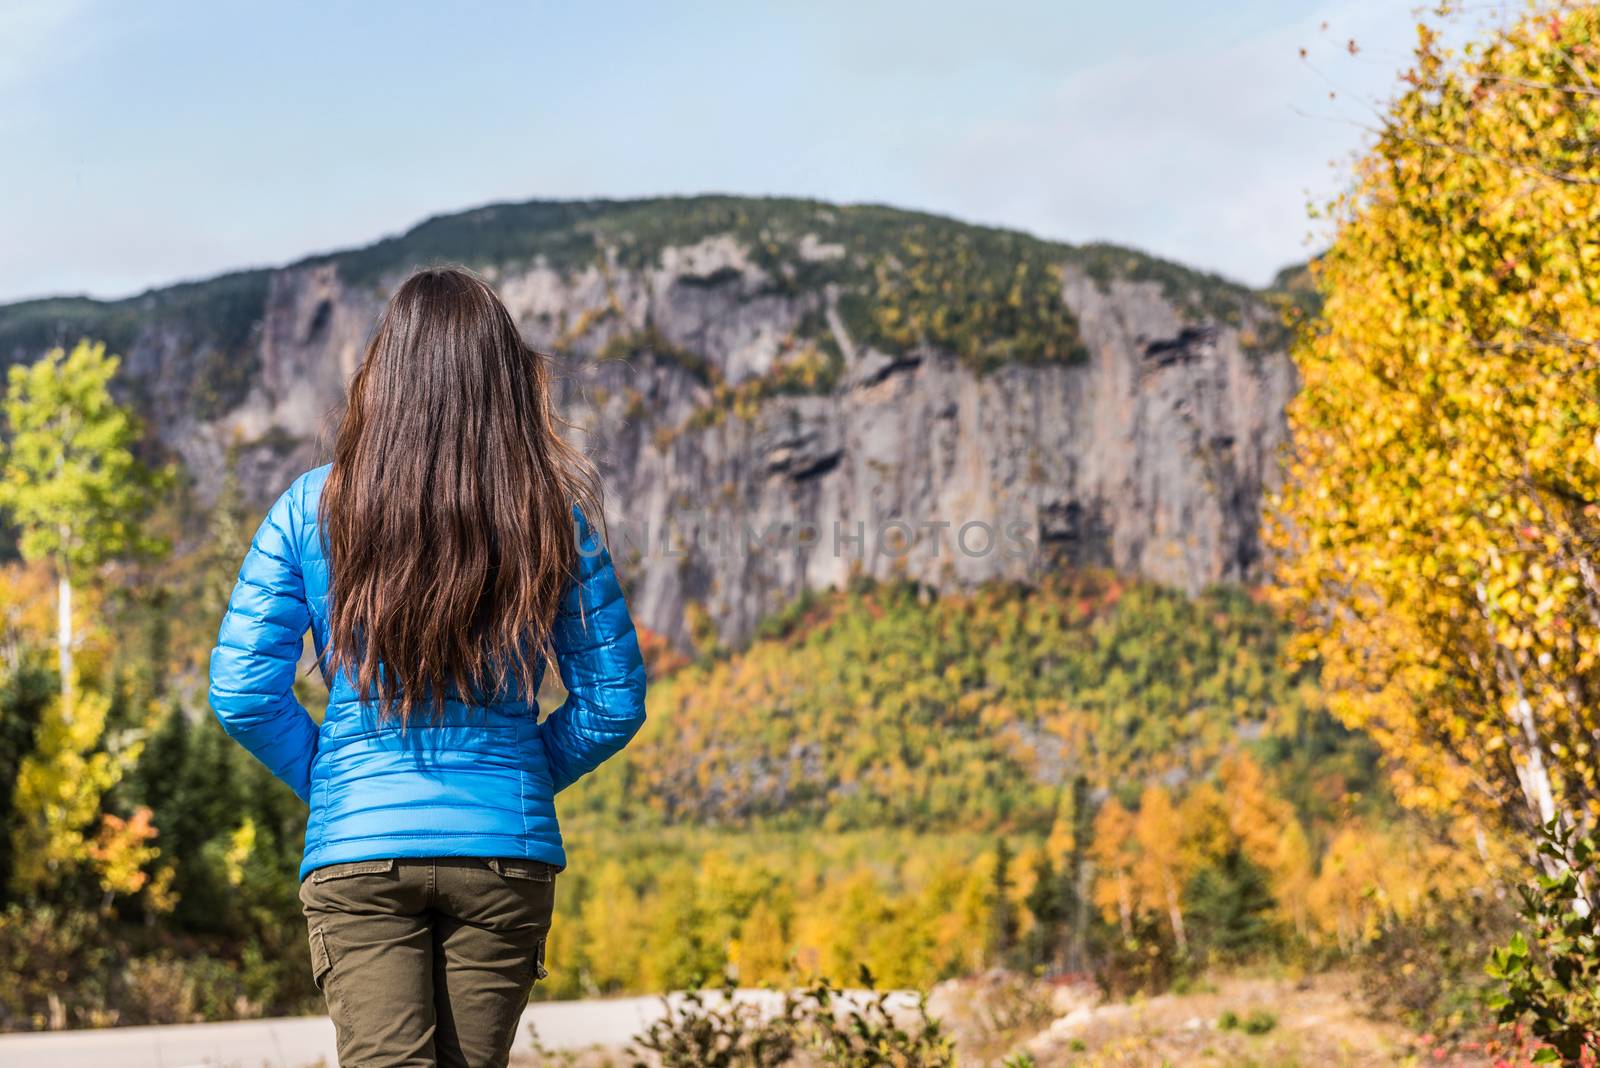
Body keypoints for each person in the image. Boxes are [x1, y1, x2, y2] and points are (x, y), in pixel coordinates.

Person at [208, 266, 648, 1067]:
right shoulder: (550, 516)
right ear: (506, 383)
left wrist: (340, 781)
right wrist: (516, 775)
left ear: (382, 372)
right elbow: (612, 701)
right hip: (502, 856)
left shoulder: (309, 506)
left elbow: (242, 691)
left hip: (359, 857)